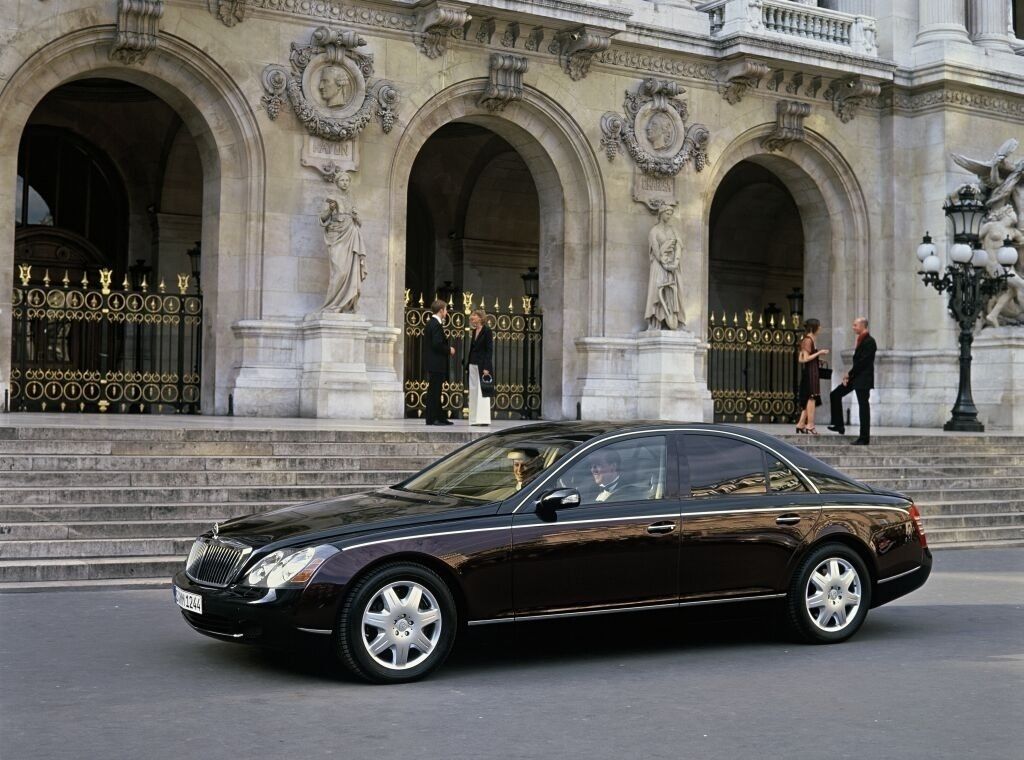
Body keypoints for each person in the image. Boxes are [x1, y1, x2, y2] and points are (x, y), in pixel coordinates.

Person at [319, 172, 366, 313]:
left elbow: (360, 222)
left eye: (347, 180)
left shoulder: (352, 199)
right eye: (342, 180)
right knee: (339, 271)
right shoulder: (331, 198)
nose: (345, 182)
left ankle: (346, 304)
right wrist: (330, 209)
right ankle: (331, 304)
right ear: (337, 182)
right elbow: (322, 218)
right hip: (336, 235)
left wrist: (356, 217)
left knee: (351, 270)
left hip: (351, 233)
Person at [828, 317, 876, 445]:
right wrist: (849, 376)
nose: (853, 327)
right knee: (835, 394)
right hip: (856, 377)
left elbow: (863, 362)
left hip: (863, 379)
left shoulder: (870, 341)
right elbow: (859, 363)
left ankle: (864, 437)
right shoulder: (861, 340)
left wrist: (849, 374)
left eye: (855, 325)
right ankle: (839, 425)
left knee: (863, 406)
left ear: (863, 325)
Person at [644, 204, 686, 330]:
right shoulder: (654, 231)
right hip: (659, 265)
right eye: (667, 213)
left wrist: (675, 262)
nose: (669, 216)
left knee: (675, 292)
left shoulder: (673, 230)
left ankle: (674, 321)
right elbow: (655, 250)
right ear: (661, 213)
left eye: (670, 214)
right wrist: (665, 263)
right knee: (657, 291)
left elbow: (679, 246)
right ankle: (656, 321)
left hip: (673, 266)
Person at [424, 299, 455, 426]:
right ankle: (433, 418)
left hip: (434, 363)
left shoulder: (432, 323)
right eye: (446, 310)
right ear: (441, 310)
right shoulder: (436, 324)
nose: (446, 312)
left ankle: (439, 417)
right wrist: (449, 350)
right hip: (436, 364)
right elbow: (437, 344)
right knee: (435, 392)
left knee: (436, 391)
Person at [795, 319, 829, 435]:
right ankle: (810, 425)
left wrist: (817, 359)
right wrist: (819, 353)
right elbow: (804, 359)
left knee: (810, 398)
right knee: (811, 398)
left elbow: (801, 359)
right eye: (819, 326)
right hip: (810, 373)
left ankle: (801, 424)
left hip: (812, 371)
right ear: (814, 327)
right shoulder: (808, 340)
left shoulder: (808, 339)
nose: (820, 328)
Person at [466, 309, 494, 426]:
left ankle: (483, 419)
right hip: (472, 363)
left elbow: (489, 350)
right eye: (472, 315)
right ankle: (473, 419)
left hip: (482, 365)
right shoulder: (474, 331)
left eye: (475, 315)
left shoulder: (487, 331)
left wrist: (487, 366)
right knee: (473, 391)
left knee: (482, 390)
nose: (472, 317)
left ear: (481, 318)